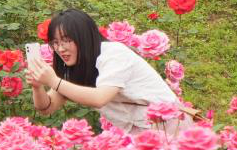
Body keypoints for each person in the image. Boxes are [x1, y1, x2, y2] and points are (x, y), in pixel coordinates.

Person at [25, 8, 184, 134]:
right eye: (55, 43)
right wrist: (37, 86)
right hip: (137, 133)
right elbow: (47, 108)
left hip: (168, 126)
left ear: (84, 37)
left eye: (67, 40)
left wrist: (53, 80)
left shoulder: (113, 54)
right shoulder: (74, 66)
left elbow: (99, 98)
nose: (60, 48)